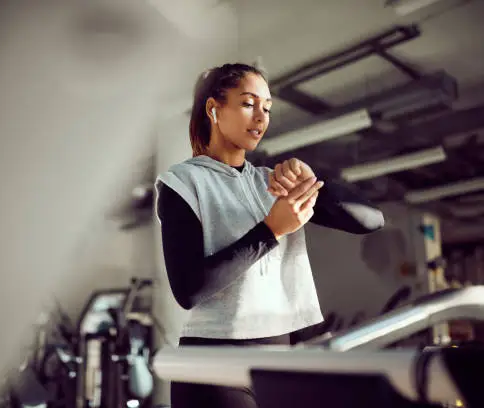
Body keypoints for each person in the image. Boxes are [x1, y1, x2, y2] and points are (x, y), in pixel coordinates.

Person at [154, 63, 385, 408]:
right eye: (248, 103)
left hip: (280, 358)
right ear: (214, 109)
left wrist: (312, 181)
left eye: (267, 107)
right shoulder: (183, 183)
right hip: (213, 364)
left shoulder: (270, 182)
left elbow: (371, 220)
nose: (261, 117)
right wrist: (271, 230)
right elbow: (189, 290)